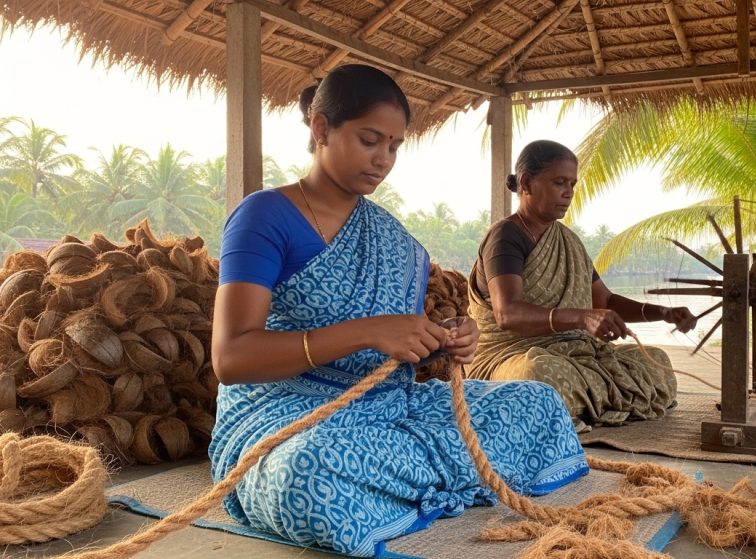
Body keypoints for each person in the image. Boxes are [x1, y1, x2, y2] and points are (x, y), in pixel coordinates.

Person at [208, 66, 587, 557]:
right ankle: (442, 477)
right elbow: (232, 358)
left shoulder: (394, 240)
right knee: (308, 472)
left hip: (390, 410)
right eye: (370, 140)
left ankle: (407, 484)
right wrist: (365, 333)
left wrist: (446, 335)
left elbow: (399, 350)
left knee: (536, 403)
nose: (383, 159)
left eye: (394, 146)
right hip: (292, 415)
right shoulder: (265, 216)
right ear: (321, 129)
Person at [466, 140, 699, 428]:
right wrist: (581, 317)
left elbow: (605, 302)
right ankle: (583, 404)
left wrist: (661, 313)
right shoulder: (506, 237)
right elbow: (507, 313)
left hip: (576, 354)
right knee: (538, 373)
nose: (569, 193)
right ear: (526, 182)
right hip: (511, 355)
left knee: (654, 360)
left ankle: (581, 406)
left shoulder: (569, 241)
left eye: (573, 184)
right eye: (559, 182)